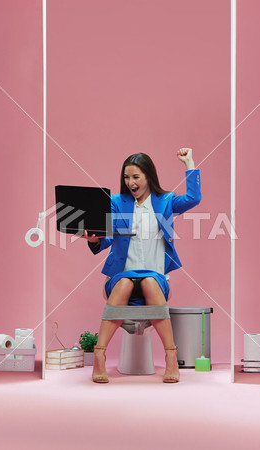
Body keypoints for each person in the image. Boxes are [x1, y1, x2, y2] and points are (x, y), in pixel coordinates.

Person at [82, 148, 201, 383]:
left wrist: (189, 164)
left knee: (148, 280)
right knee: (125, 282)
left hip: (155, 278)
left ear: (148, 176)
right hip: (120, 277)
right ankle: (99, 355)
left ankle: (170, 357)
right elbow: (107, 238)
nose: (130, 182)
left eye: (135, 177)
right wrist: (94, 239)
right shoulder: (116, 202)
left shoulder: (166, 202)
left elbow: (193, 199)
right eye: (127, 177)